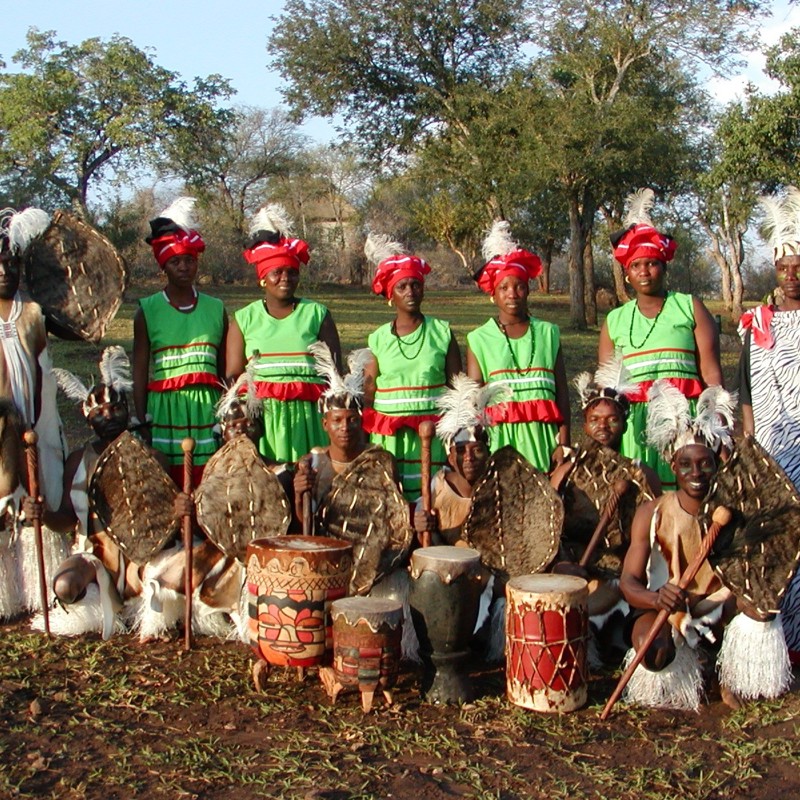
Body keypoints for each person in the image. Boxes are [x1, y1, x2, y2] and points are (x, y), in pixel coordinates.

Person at [619, 381, 790, 710]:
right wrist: (656, 598)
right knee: (653, 650)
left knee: (762, 608)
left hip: (718, 605)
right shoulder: (651, 513)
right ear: (673, 466)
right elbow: (628, 582)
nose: (695, 472)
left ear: (716, 465)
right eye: (686, 464)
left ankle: (730, 676)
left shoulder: (733, 511)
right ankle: (685, 671)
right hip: (665, 607)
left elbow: (757, 570)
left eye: (705, 463)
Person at [598, 188, 723, 490]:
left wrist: (715, 422)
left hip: (684, 419)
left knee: (687, 493)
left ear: (664, 267)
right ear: (627, 273)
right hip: (635, 426)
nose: (644, 272)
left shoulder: (689, 306)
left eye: (652, 263)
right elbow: (607, 388)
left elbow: (710, 372)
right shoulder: (615, 320)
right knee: (640, 493)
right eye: (636, 266)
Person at [550, 358, 660, 666]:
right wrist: (563, 563)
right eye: (595, 419)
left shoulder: (641, 474)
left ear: (624, 423)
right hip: (571, 561)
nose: (603, 426)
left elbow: (654, 534)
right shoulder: (567, 471)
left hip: (618, 568)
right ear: (584, 424)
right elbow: (547, 525)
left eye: (612, 419)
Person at [226, 204, 340, 463]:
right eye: (277, 272)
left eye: (292, 272)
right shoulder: (244, 319)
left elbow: (335, 375)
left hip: (309, 416)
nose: (285, 278)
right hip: (263, 420)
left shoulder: (317, 314)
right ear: (263, 277)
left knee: (311, 478)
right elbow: (234, 378)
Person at [738, 186, 800, 660]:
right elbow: (746, 390)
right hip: (774, 448)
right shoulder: (758, 323)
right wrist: (748, 445)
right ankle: (785, 641)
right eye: (784, 268)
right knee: (780, 540)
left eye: (799, 267)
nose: (791, 276)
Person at [0, 207, 68, 617]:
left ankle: (41, 590)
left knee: (40, 492)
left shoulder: (33, 311)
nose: (4, 272)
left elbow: (44, 366)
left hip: (36, 422)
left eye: (11, 264)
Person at [133, 197, 227, 486]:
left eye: (189, 260)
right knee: (168, 481)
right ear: (163, 266)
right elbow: (140, 369)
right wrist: (141, 418)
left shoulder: (216, 308)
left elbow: (224, 369)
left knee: (209, 480)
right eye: (175, 261)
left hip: (207, 407)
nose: (184, 267)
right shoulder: (148, 309)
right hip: (165, 409)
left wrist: (226, 412)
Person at [363, 233, 461, 501]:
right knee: (392, 498)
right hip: (391, 436)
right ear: (390, 294)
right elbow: (369, 393)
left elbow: (457, 389)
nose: (410, 292)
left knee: (431, 499)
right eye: (402, 286)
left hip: (431, 436)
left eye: (416, 285)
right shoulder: (378, 338)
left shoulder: (442, 332)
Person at [466, 220, 570, 472]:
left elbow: (562, 394)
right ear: (493, 294)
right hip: (500, 444)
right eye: (504, 287)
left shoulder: (548, 333)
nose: (512, 293)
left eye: (519, 286)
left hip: (544, 441)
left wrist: (563, 442)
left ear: (528, 290)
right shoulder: (479, 339)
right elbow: (475, 402)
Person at [293, 342, 384, 523]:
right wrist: (298, 495)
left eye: (352, 420)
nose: (345, 427)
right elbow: (304, 521)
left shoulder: (379, 461)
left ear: (361, 422)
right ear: (325, 424)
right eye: (337, 420)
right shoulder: (312, 463)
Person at [412, 374, 505, 546]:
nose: (469, 458)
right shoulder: (438, 488)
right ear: (451, 458)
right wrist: (421, 526)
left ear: (488, 454)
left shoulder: (499, 488)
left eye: (477, 450)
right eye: (461, 451)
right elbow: (422, 531)